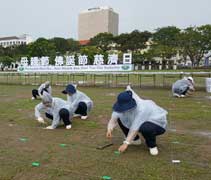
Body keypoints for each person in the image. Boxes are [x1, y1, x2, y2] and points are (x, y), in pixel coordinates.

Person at [106, 86, 168, 156]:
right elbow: (113, 119)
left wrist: (125, 143)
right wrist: (109, 129)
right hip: (140, 123)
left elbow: (135, 127)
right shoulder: (119, 107)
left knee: (146, 127)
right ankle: (135, 140)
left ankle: (152, 146)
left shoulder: (142, 108)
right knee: (120, 118)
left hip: (157, 124)